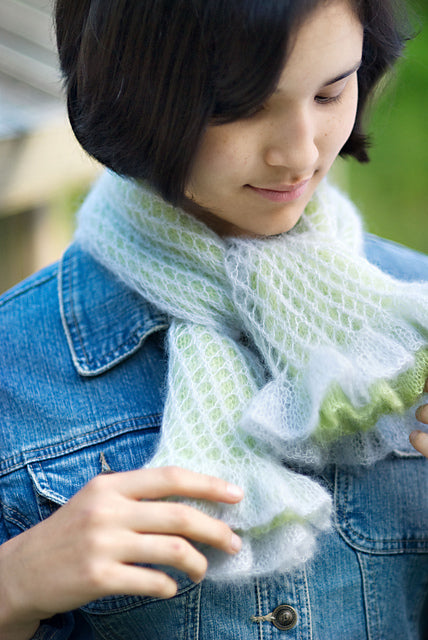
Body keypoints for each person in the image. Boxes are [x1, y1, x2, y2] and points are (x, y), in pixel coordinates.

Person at [0, 0, 427, 638]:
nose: (299, 152)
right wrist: (12, 585)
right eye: (244, 107)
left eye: (330, 93)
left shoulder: (414, 323)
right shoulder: (15, 365)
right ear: (134, 92)